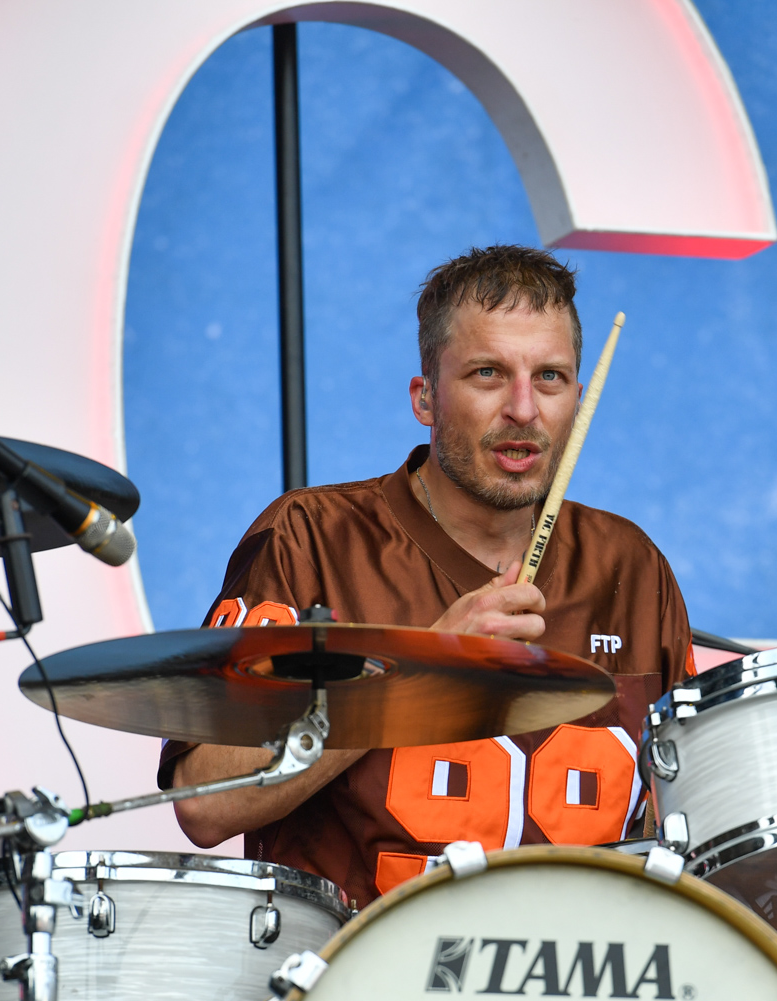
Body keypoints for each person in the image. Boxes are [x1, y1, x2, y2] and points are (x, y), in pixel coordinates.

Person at [159, 245, 695, 906]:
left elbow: (701, 819)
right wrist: (417, 671)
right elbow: (203, 801)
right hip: (353, 967)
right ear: (425, 398)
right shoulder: (311, 539)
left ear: (579, 402)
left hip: (578, 967)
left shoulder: (632, 566)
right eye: (488, 373)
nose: (523, 408)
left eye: (550, 378)